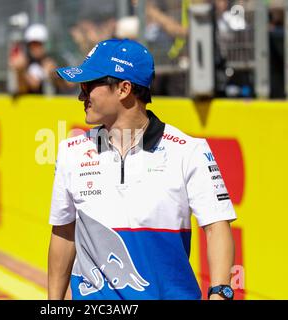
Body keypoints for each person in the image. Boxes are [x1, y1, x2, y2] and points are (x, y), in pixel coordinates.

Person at [48, 38, 236, 300]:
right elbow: (63, 232)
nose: (81, 95)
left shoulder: (188, 150)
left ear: (124, 89)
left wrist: (220, 292)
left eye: (88, 85)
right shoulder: (71, 152)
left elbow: (217, 226)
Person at [8, 24, 72, 95]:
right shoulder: (27, 62)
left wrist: (54, 74)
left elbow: (69, 84)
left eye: (38, 44)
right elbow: (33, 85)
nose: (35, 48)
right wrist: (21, 71)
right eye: (32, 44)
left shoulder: (55, 59)